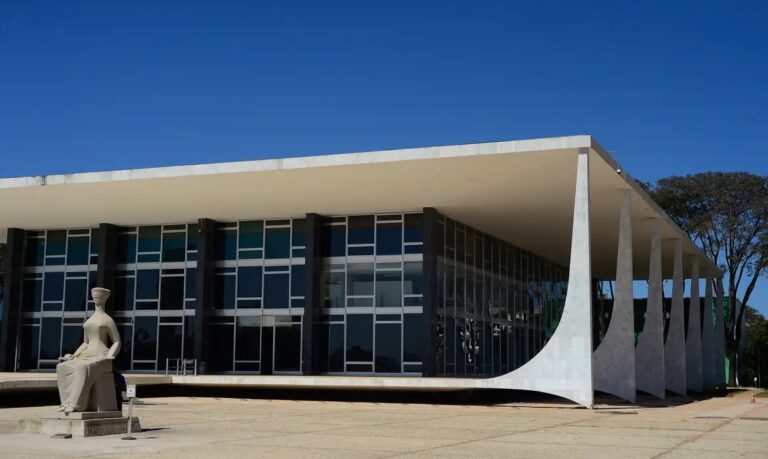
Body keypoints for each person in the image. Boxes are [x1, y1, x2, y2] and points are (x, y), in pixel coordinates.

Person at [56, 287, 121, 415]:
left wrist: (110, 355)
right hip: (86, 355)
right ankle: (66, 402)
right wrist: (74, 355)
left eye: (99, 297)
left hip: (101, 356)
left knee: (82, 368)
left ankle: (77, 404)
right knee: (61, 367)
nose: (96, 299)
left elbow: (117, 341)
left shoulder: (108, 320)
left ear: (104, 299)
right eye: (94, 297)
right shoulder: (89, 320)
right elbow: (85, 343)